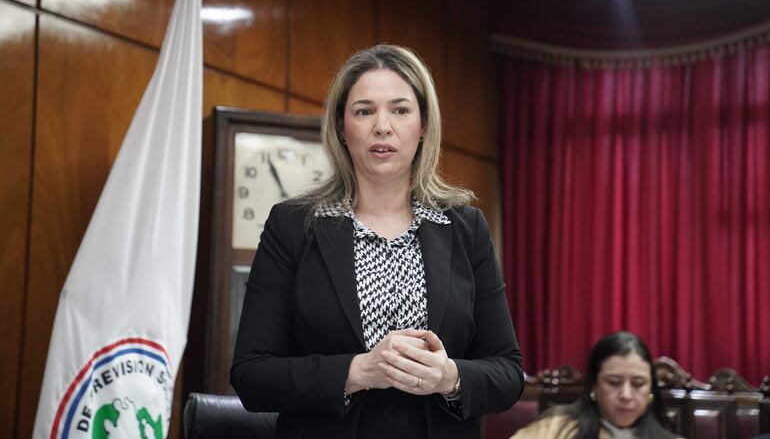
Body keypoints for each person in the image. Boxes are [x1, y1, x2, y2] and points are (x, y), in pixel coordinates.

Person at [231, 44, 524, 439]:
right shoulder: (294, 226)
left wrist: (449, 376)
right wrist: (359, 371)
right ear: (341, 127)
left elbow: (507, 371)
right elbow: (251, 373)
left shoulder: (465, 228)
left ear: (423, 126)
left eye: (400, 110)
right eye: (364, 111)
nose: (382, 126)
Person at [510, 331, 679, 439]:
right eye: (614, 383)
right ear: (594, 385)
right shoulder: (556, 428)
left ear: (650, 389)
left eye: (638, 384)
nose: (626, 395)